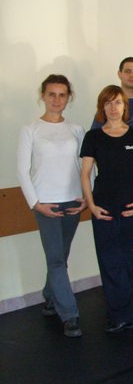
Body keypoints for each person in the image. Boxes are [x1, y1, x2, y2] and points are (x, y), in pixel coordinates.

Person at [17, 74, 86, 338]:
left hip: (72, 201)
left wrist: (86, 197)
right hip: (46, 203)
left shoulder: (76, 130)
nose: (57, 100)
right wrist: (36, 204)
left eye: (62, 95)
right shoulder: (30, 130)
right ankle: (70, 315)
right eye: (52, 94)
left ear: (68, 98)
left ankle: (49, 296)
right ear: (43, 96)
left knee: (60, 257)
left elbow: (86, 167)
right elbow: (22, 171)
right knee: (56, 259)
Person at [81, 85, 133, 332]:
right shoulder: (93, 137)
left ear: (125, 107)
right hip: (103, 207)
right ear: (102, 107)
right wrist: (91, 205)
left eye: (118, 102)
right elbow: (85, 173)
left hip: (131, 206)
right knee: (110, 260)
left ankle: (125, 310)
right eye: (108, 103)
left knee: (127, 261)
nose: (113, 107)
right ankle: (120, 314)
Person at [92, 57, 133, 299]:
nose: (132, 75)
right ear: (119, 74)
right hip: (117, 189)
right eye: (127, 71)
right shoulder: (106, 107)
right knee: (119, 242)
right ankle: (122, 287)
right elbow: (97, 148)